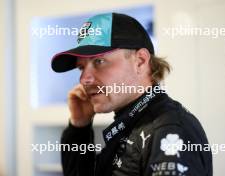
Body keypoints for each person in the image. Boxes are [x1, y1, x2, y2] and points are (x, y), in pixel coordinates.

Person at [51, 12, 212, 176]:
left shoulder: (169, 130)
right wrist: (79, 126)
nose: (84, 78)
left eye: (99, 61)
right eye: (81, 67)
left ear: (140, 61)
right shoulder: (130, 124)